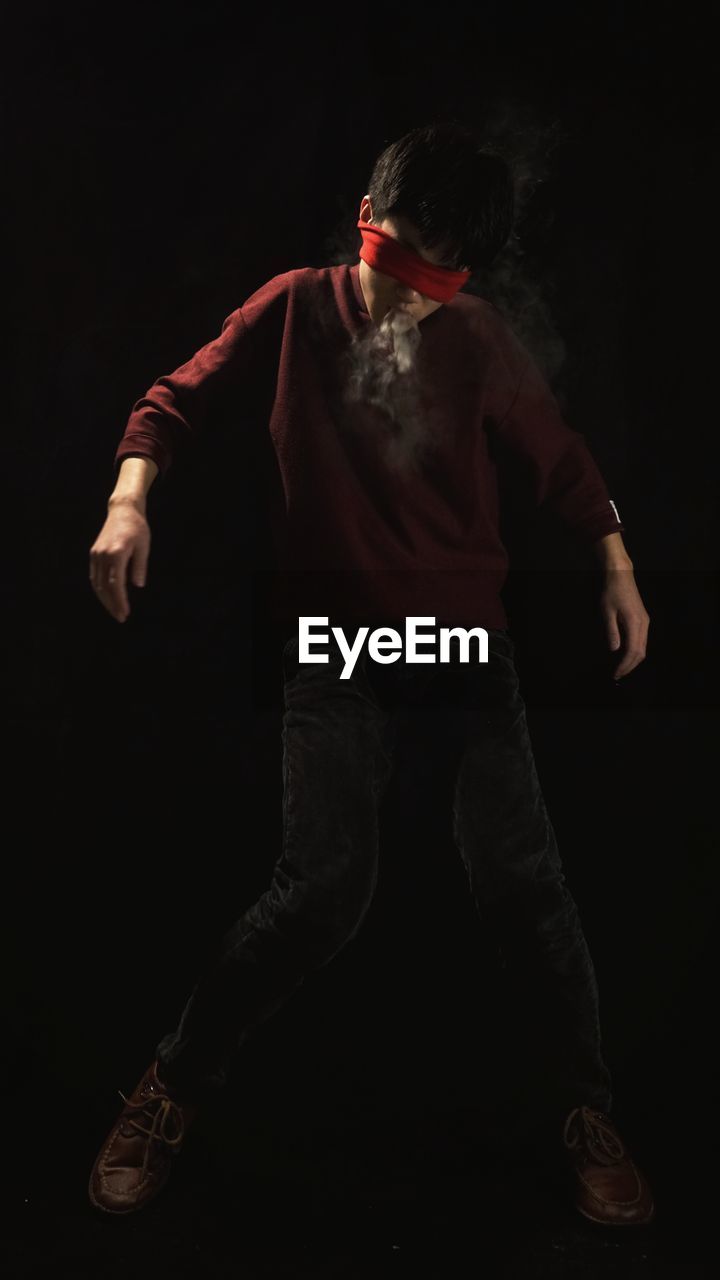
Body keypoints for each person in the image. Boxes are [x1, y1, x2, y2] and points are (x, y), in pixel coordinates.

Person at [87, 121, 653, 1224]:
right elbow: (174, 398)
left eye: (432, 284)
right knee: (323, 887)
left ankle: (586, 1106)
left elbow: (562, 459)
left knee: (525, 883)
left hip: (460, 646)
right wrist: (125, 501)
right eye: (394, 266)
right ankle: (169, 1084)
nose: (404, 306)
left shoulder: (481, 335)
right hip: (335, 647)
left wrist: (618, 568)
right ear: (366, 220)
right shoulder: (295, 305)